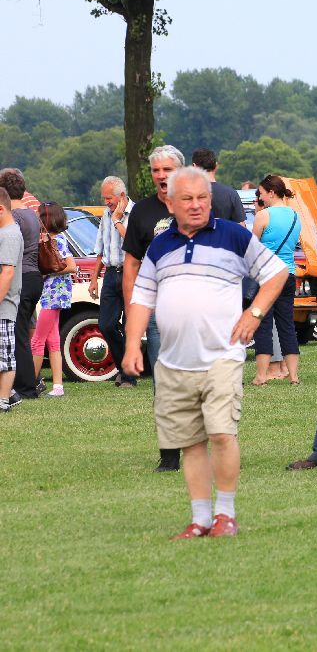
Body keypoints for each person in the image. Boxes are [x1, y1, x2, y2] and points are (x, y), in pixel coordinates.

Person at [122, 166, 288, 539]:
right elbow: (142, 298)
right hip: (174, 363)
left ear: (210, 200)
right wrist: (133, 344)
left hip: (222, 357)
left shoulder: (234, 236)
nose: (196, 205)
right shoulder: (159, 245)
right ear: (172, 202)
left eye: (202, 198)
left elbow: (276, 273)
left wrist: (255, 312)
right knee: (190, 443)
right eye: (187, 199)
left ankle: (225, 514)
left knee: (221, 433)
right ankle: (199, 519)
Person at [122, 144, 184, 471]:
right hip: (158, 310)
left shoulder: (196, 205)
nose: (161, 176)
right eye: (156, 170)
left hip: (196, 310)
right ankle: (170, 454)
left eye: (167, 170)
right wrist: (135, 307)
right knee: (164, 380)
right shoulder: (142, 212)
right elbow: (131, 263)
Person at [250, 175, 302, 386]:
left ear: (271, 192)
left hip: (267, 275)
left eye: (261, 194)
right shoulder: (295, 216)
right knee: (287, 324)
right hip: (288, 274)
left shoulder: (263, 216)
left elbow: (252, 248)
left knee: (263, 324)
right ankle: (294, 376)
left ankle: (261, 375)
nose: (260, 198)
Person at [88, 176, 137, 387]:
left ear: (122, 196)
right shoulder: (105, 215)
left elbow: (134, 243)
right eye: (104, 198)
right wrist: (93, 279)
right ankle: (124, 366)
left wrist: (118, 220)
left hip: (132, 272)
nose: (106, 202)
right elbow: (100, 249)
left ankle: (128, 376)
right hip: (111, 272)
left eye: (109, 198)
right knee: (106, 325)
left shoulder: (135, 214)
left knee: (130, 326)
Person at [0, 169, 43, 401]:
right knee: (23, 333)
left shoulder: (13, 218)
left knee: (17, 335)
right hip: (34, 275)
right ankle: (29, 383)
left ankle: (26, 386)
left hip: (21, 277)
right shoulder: (30, 214)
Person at [31, 202, 78, 397]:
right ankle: (57, 386)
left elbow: (71, 266)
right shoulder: (57, 240)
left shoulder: (56, 242)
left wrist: (48, 270)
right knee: (53, 341)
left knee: (37, 341)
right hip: (56, 295)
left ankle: (30, 384)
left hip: (53, 295)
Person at [0, 187, 22, 413]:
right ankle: (10, 395)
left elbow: (7, 273)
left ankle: (4, 400)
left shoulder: (9, 235)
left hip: (4, 306)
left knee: (4, 359)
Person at [191, 148, 246, 226]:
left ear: (194, 166)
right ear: (216, 166)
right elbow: (241, 228)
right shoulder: (231, 194)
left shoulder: (187, 195)